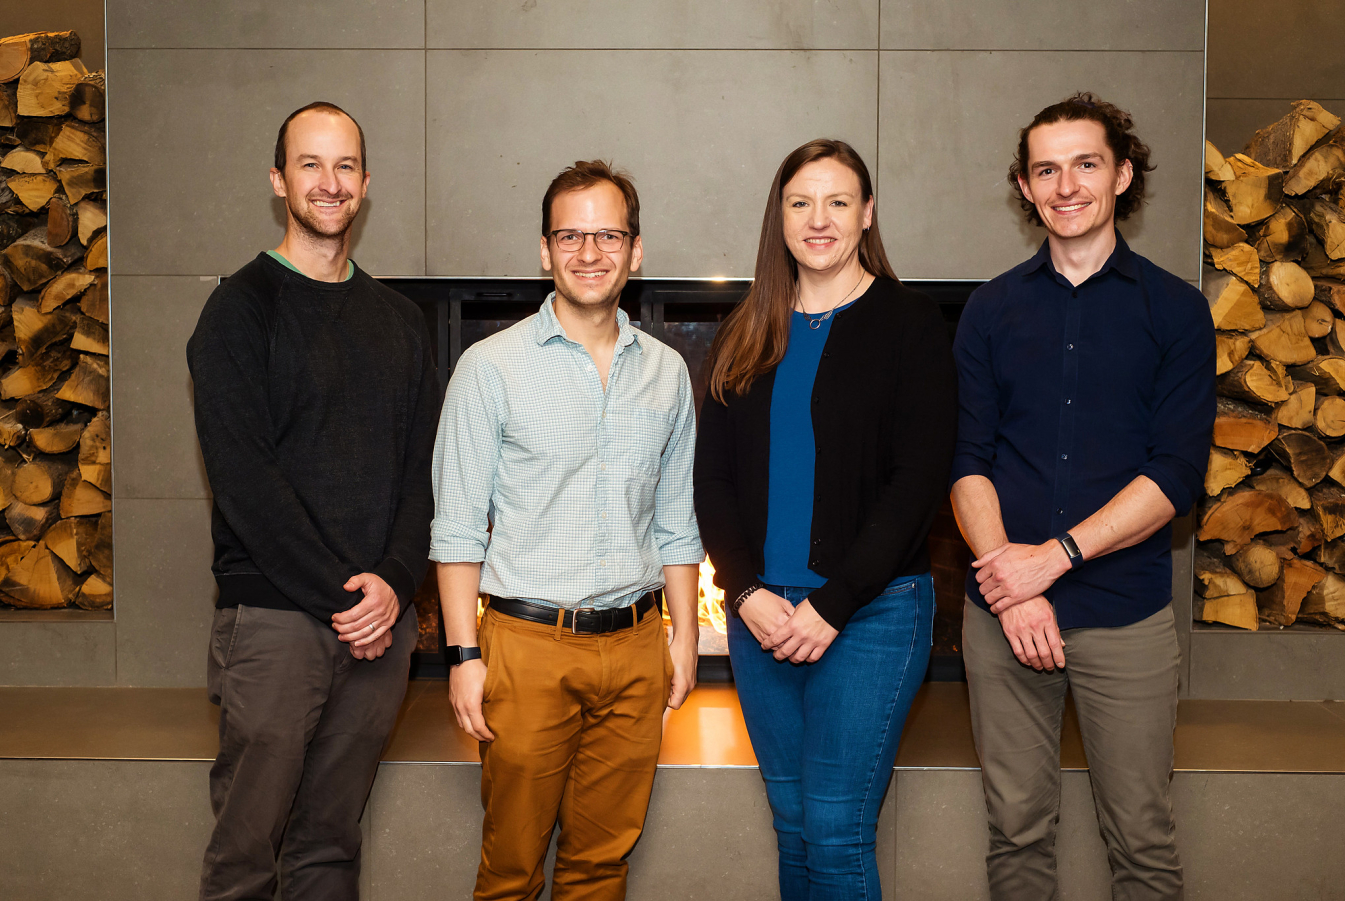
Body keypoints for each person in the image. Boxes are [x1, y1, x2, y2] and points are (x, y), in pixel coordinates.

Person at [950, 93, 1215, 900]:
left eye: (1086, 164)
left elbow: (1174, 476)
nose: (1066, 184)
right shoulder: (989, 309)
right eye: (1046, 169)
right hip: (1003, 616)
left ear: (1123, 174)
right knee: (1017, 835)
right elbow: (967, 462)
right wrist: (1008, 579)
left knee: (1142, 839)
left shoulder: (1176, 309)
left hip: (1125, 617)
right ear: (1026, 188)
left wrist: (1053, 561)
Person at [430, 159, 703, 901]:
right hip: (527, 651)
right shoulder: (489, 368)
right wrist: (462, 654)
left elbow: (677, 521)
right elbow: (457, 528)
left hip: (638, 650)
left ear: (636, 250)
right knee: (512, 870)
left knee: (600, 866)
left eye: (608, 234)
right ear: (545, 251)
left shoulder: (669, 374)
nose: (590, 252)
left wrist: (682, 637)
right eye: (570, 235)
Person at [187, 101, 439, 901]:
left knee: (331, 846)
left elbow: (422, 473)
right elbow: (246, 482)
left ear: (365, 184)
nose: (328, 183)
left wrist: (395, 584)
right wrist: (347, 598)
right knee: (245, 854)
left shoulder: (401, 322)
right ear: (278, 181)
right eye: (309, 165)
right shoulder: (238, 311)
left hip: (379, 625)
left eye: (344, 167)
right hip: (275, 626)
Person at [694, 138, 958, 900]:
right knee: (795, 826)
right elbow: (711, 479)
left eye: (838, 202)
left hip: (871, 616)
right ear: (779, 218)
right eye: (801, 203)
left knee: (837, 832)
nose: (819, 219)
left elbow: (916, 483)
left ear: (867, 213)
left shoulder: (909, 323)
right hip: (761, 616)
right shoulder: (747, 329)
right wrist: (743, 593)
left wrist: (832, 604)